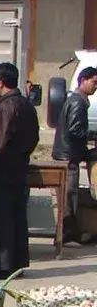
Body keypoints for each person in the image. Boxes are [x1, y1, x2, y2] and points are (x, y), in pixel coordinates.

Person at [0, 62, 40, 280]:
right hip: (19, 167)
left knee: (1, 219)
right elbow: (34, 138)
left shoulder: (5, 107)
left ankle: (2, 266)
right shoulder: (26, 105)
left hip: (2, 171)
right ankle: (16, 263)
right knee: (16, 217)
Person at [54, 67, 97, 243]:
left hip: (69, 154)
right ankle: (66, 236)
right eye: (94, 82)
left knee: (69, 196)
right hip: (68, 157)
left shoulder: (77, 100)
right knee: (68, 196)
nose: (95, 87)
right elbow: (75, 131)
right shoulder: (78, 102)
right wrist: (94, 136)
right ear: (83, 80)